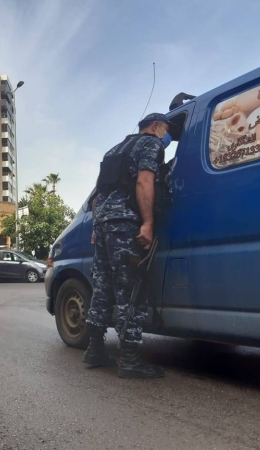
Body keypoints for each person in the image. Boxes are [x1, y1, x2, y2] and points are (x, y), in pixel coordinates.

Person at [84, 113, 173, 379]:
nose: (166, 135)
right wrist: (148, 222)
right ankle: (130, 359)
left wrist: (96, 227)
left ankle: (94, 349)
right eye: (166, 129)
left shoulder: (115, 150)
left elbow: (97, 195)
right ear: (155, 126)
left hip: (103, 224)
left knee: (103, 288)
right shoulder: (150, 143)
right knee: (131, 288)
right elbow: (145, 181)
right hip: (125, 224)